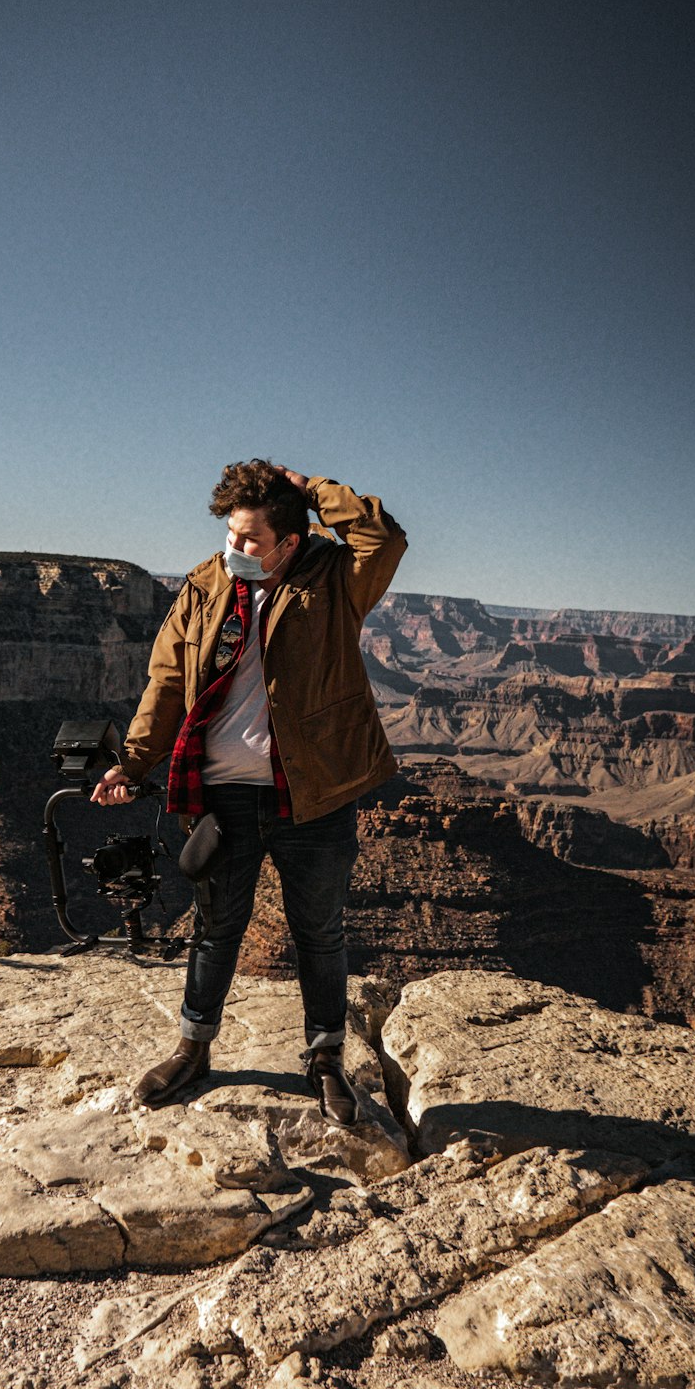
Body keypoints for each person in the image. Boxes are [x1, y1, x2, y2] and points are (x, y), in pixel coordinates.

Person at [91, 460, 407, 1125]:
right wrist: (134, 761)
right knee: (216, 928)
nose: (235, 549)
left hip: (312, 794)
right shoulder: (207, 582)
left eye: (251, 540)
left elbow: (383, 538)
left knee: (319, 933)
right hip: (222, 796)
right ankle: (193, 1049)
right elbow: (168, 680)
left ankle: (324, 1062)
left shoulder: (334, 576)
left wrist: (312, 491)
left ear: (290, 541)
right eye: (230, 535)